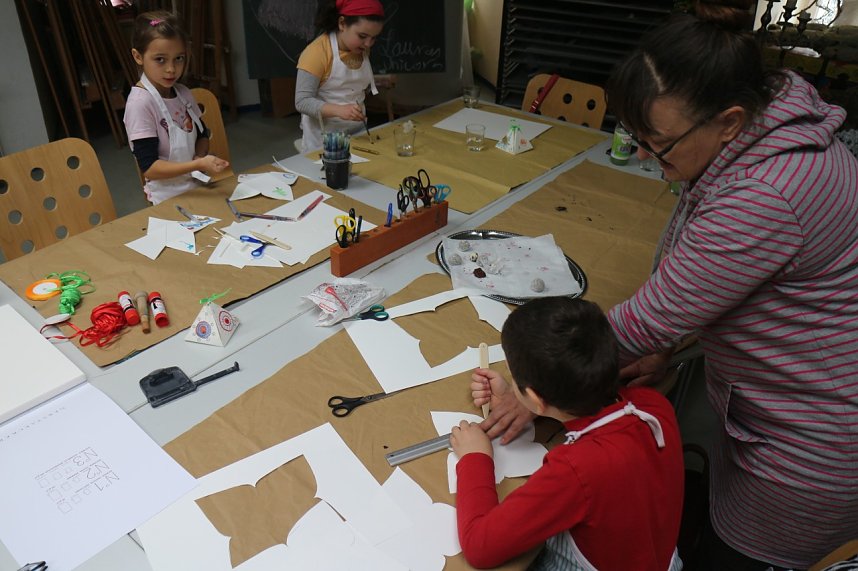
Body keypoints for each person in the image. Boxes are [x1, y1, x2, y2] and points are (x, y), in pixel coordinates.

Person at [474, 1, 858, 568]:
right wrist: (667, 345)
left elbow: (649, 317)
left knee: (738, 559)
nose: (651, 158)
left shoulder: (767, 196)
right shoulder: (764, 120)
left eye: (660, 144)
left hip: (806, 452)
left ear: (728, 120)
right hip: (791, 405)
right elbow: (745, 289)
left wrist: (540, 383)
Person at [453, 297, 684, 570]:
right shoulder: (654, 405)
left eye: (516, 381)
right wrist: (516, 395)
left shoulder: (575, 471)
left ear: (536, 400)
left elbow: (481, 547)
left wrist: (475, 457)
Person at [123, 11, 229, 205]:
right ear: (138, 56)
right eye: (160, 59)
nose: (171, 69)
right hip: (166, 198)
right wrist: (197, 164)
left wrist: (200, 155)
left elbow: (202, 134)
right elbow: (150, 167)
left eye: (178, 58)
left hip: (197, 185)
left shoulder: (182, 93)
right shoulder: (140, 104)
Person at [295, 0, 384, 152]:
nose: (368, 44)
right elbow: (302, 102)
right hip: (323, 141)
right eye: (362, 36)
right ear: (342, 23)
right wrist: (340, 110)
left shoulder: (361, 48)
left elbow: (351, 87)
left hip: (358, 133)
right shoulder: (316, 53)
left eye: (373, 38)